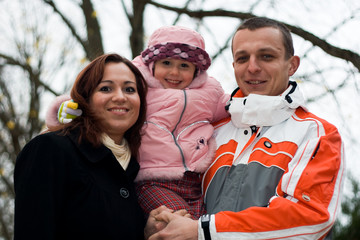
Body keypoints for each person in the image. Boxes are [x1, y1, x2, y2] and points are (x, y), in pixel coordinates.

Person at [145, 17, 345, 240]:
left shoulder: (316, 133)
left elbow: (310, 218)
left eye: (266, 56)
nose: (252, 67)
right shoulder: (209, 130)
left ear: (292, 65)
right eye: (242, 58)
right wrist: (155, 224)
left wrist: (203, 231)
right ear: (234, 66)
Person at [45, 26, 230, 220]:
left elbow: (231, 104)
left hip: (193, 182)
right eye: (166, 62)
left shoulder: (209, 93)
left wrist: (253, 105)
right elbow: (94, 99)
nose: (174, 72)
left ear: (196, 71)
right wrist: (65, 108)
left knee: (201, 226)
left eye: (184, 66)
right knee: (180, 223)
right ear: (152, 65)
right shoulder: (139, 86)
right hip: (152, 180)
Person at [14, 53, 148, 240]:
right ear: (86, 99)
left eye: (130, 89)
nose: (120, 97)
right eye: (106, 88)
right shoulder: (51, 149)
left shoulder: (138, 169)